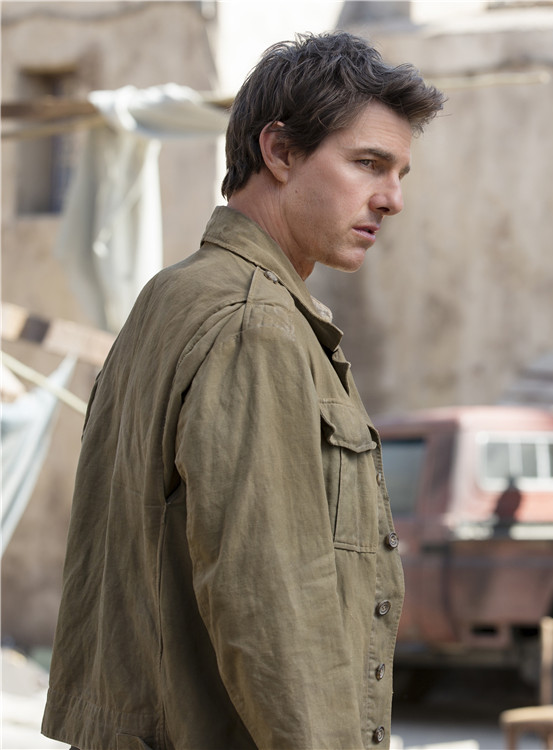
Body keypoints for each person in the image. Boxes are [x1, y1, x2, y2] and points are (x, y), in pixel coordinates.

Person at [42, 32, 444, 750]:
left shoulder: (173, 295)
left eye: (399, 173)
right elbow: (274, 604)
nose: (392, 199)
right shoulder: (255, 326)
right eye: (368, 164)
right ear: (280, 151)